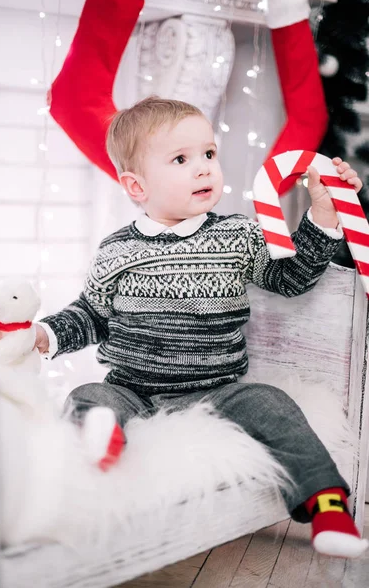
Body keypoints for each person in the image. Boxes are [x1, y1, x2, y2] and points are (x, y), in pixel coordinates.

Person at [34, 94, 366, 559]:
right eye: (181, 159)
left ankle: (327, 504)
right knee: (88, 396)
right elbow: (90, 314)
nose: (205, 168)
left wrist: (323, 215)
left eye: (209, 154)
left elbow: (290, 278)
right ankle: (100, 447)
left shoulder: (238, 235)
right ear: (136, 185)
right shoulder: (116, 250)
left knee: (273, 402)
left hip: (217, 388)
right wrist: (43, 335)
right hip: (134, 388)